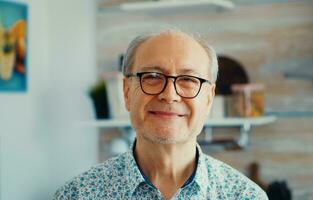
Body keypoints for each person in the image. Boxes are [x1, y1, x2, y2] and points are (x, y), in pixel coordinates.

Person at [53, 30, 268, 200]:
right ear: (127, 92)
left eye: (188, 79)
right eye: (153, 76)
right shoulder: (77, 195)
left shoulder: (245, 196)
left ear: (209, 98)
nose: (169, 95)